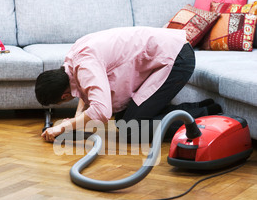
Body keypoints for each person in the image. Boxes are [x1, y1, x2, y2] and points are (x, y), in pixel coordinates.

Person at [35, 26, 220, 143]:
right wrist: (77, 118)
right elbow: (88, 88)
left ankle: (205, 115)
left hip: (175, 59)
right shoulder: (73, 60)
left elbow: (102, 111)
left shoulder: (85, 65)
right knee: (125, 119)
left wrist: (63, 127)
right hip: (166, 56)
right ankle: (204, 107)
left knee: (129, 131)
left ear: (64, 96)